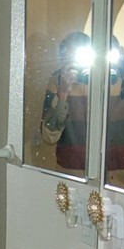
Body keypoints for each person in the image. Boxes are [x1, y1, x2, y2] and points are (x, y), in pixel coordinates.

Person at [40, 31, 91, 171]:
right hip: (71, 173)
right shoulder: (58, 80)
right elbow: (49, 136)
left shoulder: (111, 78)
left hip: (117, 179)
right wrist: (63, 92)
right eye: (70, 57)